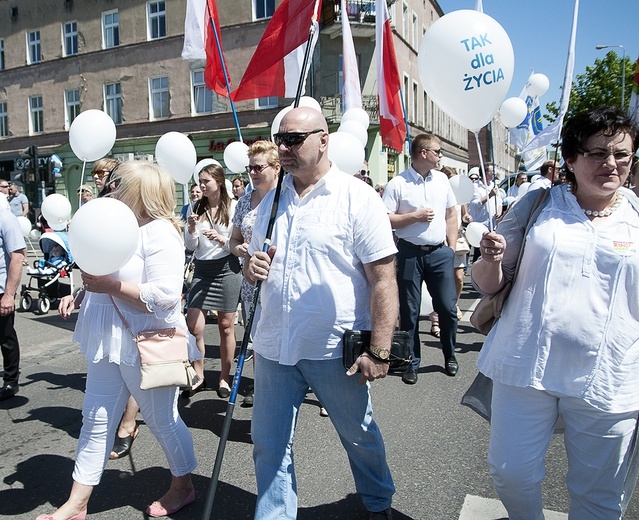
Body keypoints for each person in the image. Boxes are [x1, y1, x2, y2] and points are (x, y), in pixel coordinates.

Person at [471, 106, 639, 519]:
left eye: (622, 155)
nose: (611, 164)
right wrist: (490, 259)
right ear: (571, 158)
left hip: (611, 377)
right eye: (598, 153)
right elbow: (488, 283)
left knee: (599, 495)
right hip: (526, 366)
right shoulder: (539, 205)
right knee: (511, 472)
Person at [246, 107, 397, 520]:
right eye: (280, 139)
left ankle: (378, 500)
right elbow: (255, 261)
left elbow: (383, 279)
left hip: (332, 349)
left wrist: (380, 350)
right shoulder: (270, 201)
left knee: (358, 435)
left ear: (323, 139)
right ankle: (274, 514)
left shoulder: (356, 197)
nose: (283, 148)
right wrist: (250, 266)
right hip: (276, 344)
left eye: (293, 139)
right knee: (269, 444)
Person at [41, 161, 199, 520]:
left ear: (137, 192)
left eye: (115, 184)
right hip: (106, 337)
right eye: (109, 183)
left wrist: (109, 286)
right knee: (95, 419)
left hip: (145, 340)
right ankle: (77, 503)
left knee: (161, 419)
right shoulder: (110, 227)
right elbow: (101, 271)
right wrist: (82, 294)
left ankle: (183, 485)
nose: (107, 190)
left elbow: (165, 296)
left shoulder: (159, 231)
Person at [382, 134, 459, 383]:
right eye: (438, 151)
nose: (440, 156)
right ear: (423, 153)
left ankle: (450, 354)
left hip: (439, 254)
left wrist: (451, 247)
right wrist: (413, 217)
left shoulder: (442, 180)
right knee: (409, 312)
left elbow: (450, 214)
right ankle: (410, 363)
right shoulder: (399, 184)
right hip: (409, 253)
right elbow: (385, 218)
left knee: (447, 309)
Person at [228, 140, 281, 408]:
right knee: (258, 339)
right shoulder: (245, 200)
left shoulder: (286, 196)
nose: (252, 172)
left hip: (282, 282)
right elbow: (233, 240)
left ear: (276, 167)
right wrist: (242, 250)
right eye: (250, 167)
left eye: (258, 167)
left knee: (283, 337)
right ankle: (262, 388)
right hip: (252, 283)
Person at [185, 162, 241, 399]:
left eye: (206, 181)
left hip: (227, 268)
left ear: (218, 181)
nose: (201, 186)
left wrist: (221, 239)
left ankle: (224, 377)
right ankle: (198, 375)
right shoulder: (195, 208)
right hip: (202, 270)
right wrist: (190, 229)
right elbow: (191, 247)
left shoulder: (235, 207)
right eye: (199, 181)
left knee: (226, 326)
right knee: (193, 326)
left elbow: (239, 245)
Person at [0, 211, 26, 401]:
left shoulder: (6, 219)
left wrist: (9, 295)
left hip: (1, 289)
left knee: (5, 336)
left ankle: (11, 381)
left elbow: (17, 257)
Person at [468, 165, 501, 262]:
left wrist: (498, 213)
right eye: (492, 172)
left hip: (492, 223)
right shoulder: (475, 187)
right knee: (479, 252)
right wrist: (489, 195)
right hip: (480, 224)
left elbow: (499, 201)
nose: (494, 174)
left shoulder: (493, 185)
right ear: (485, 173)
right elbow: (474, 204)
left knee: (491, 251)